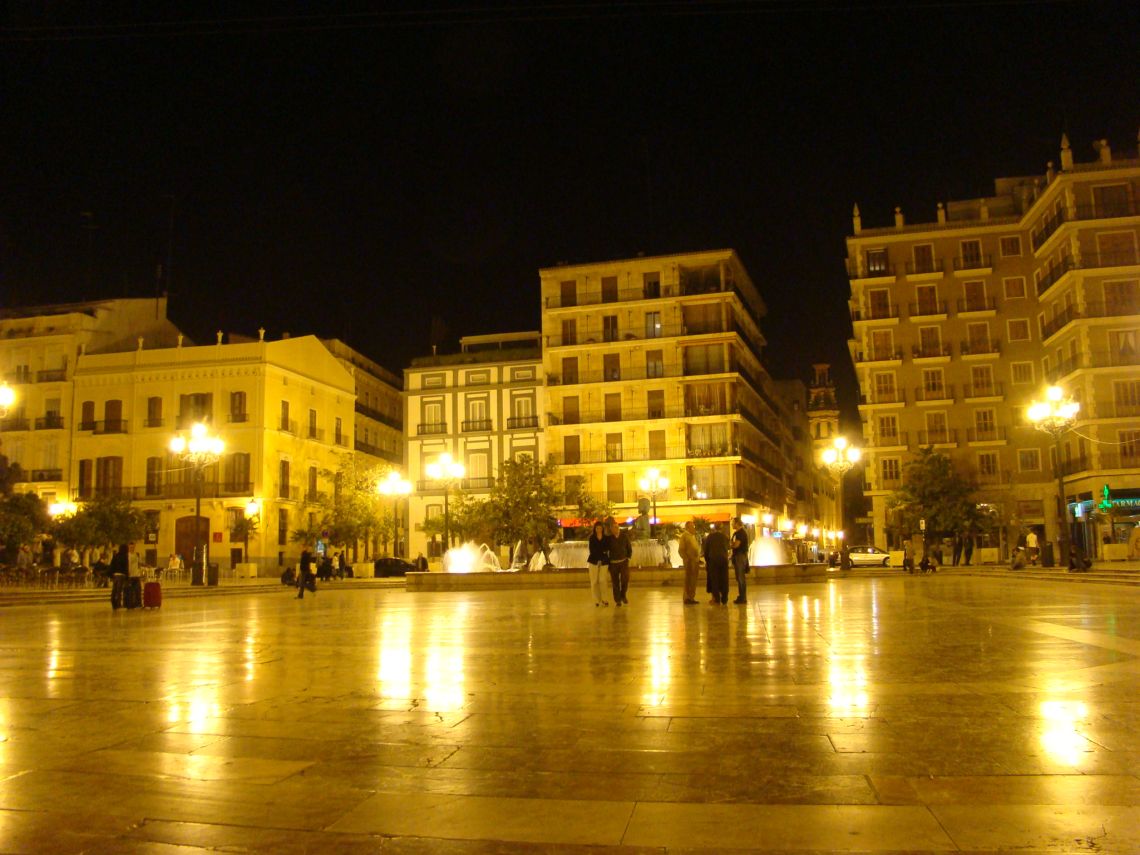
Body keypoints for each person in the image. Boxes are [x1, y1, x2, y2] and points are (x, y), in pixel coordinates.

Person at [606, 518, 632, 606]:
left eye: (616, 527)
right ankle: (617, 600)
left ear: (618, 528)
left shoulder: (624, 537)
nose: (615, 529)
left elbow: (629, 548)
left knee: (625, 579)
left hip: (623, 562)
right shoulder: (609, 539)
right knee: (615, 582)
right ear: (611, 530)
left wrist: (628, 557)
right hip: (613, 563)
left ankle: (623, 595)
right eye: (613, 528)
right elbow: (606, 550)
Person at [703, 524, 730, 605]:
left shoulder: (710, 537)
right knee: (724, 579)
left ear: (714, 528)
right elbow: (728, 548)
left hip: (713, 560)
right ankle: (724, 598)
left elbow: (706, 550)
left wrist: (707, 561)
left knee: (714, 579)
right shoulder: (725, 537)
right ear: (721, 529)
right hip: (723, 560)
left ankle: (717, 599)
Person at [586, 521, 610, 606]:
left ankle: (604, 599)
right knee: (594, 581)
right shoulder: (592, 538)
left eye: (600, 528)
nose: (599, 529)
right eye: (597, 528)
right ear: (595, 529)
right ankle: (596, 600)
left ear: (602, 529)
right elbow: (592, 550)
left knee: (602, 580)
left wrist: (601, 558)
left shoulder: (606, 538)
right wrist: (598, 558)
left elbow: (606, 549)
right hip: (593, 561)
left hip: (604, 561)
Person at [678, 521, 701, 605]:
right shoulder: (685, 536)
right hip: (689, 562)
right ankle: (687, 597)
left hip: (695, 561)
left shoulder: (692, 536)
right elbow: (681, 550)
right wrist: (686, 559)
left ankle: (692, 597)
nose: (694, 528)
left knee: (693, 580)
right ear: (688, 528)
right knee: (688, 579)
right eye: (692, 527)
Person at [730, 517, 749, 604]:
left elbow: (736, 545)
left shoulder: (740, 533)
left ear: (737, 523)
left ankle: (742, 597)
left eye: (733, 523)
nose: (731, 524)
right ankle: (741, 596)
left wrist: (730, 545)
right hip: (739, 556)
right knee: (739, 577)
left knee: (741, 577)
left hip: (740, 556)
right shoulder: (738, 533)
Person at [109, 543, 129, 609]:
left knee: (114, 590)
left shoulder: (116, 556)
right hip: (122, 575)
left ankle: (113, 602)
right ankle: (118, 604)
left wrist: (112, 574)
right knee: (119, 590)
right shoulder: (125, 556)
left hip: (115, 575)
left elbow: (112, 565)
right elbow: (126, 567)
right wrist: (127, 575)